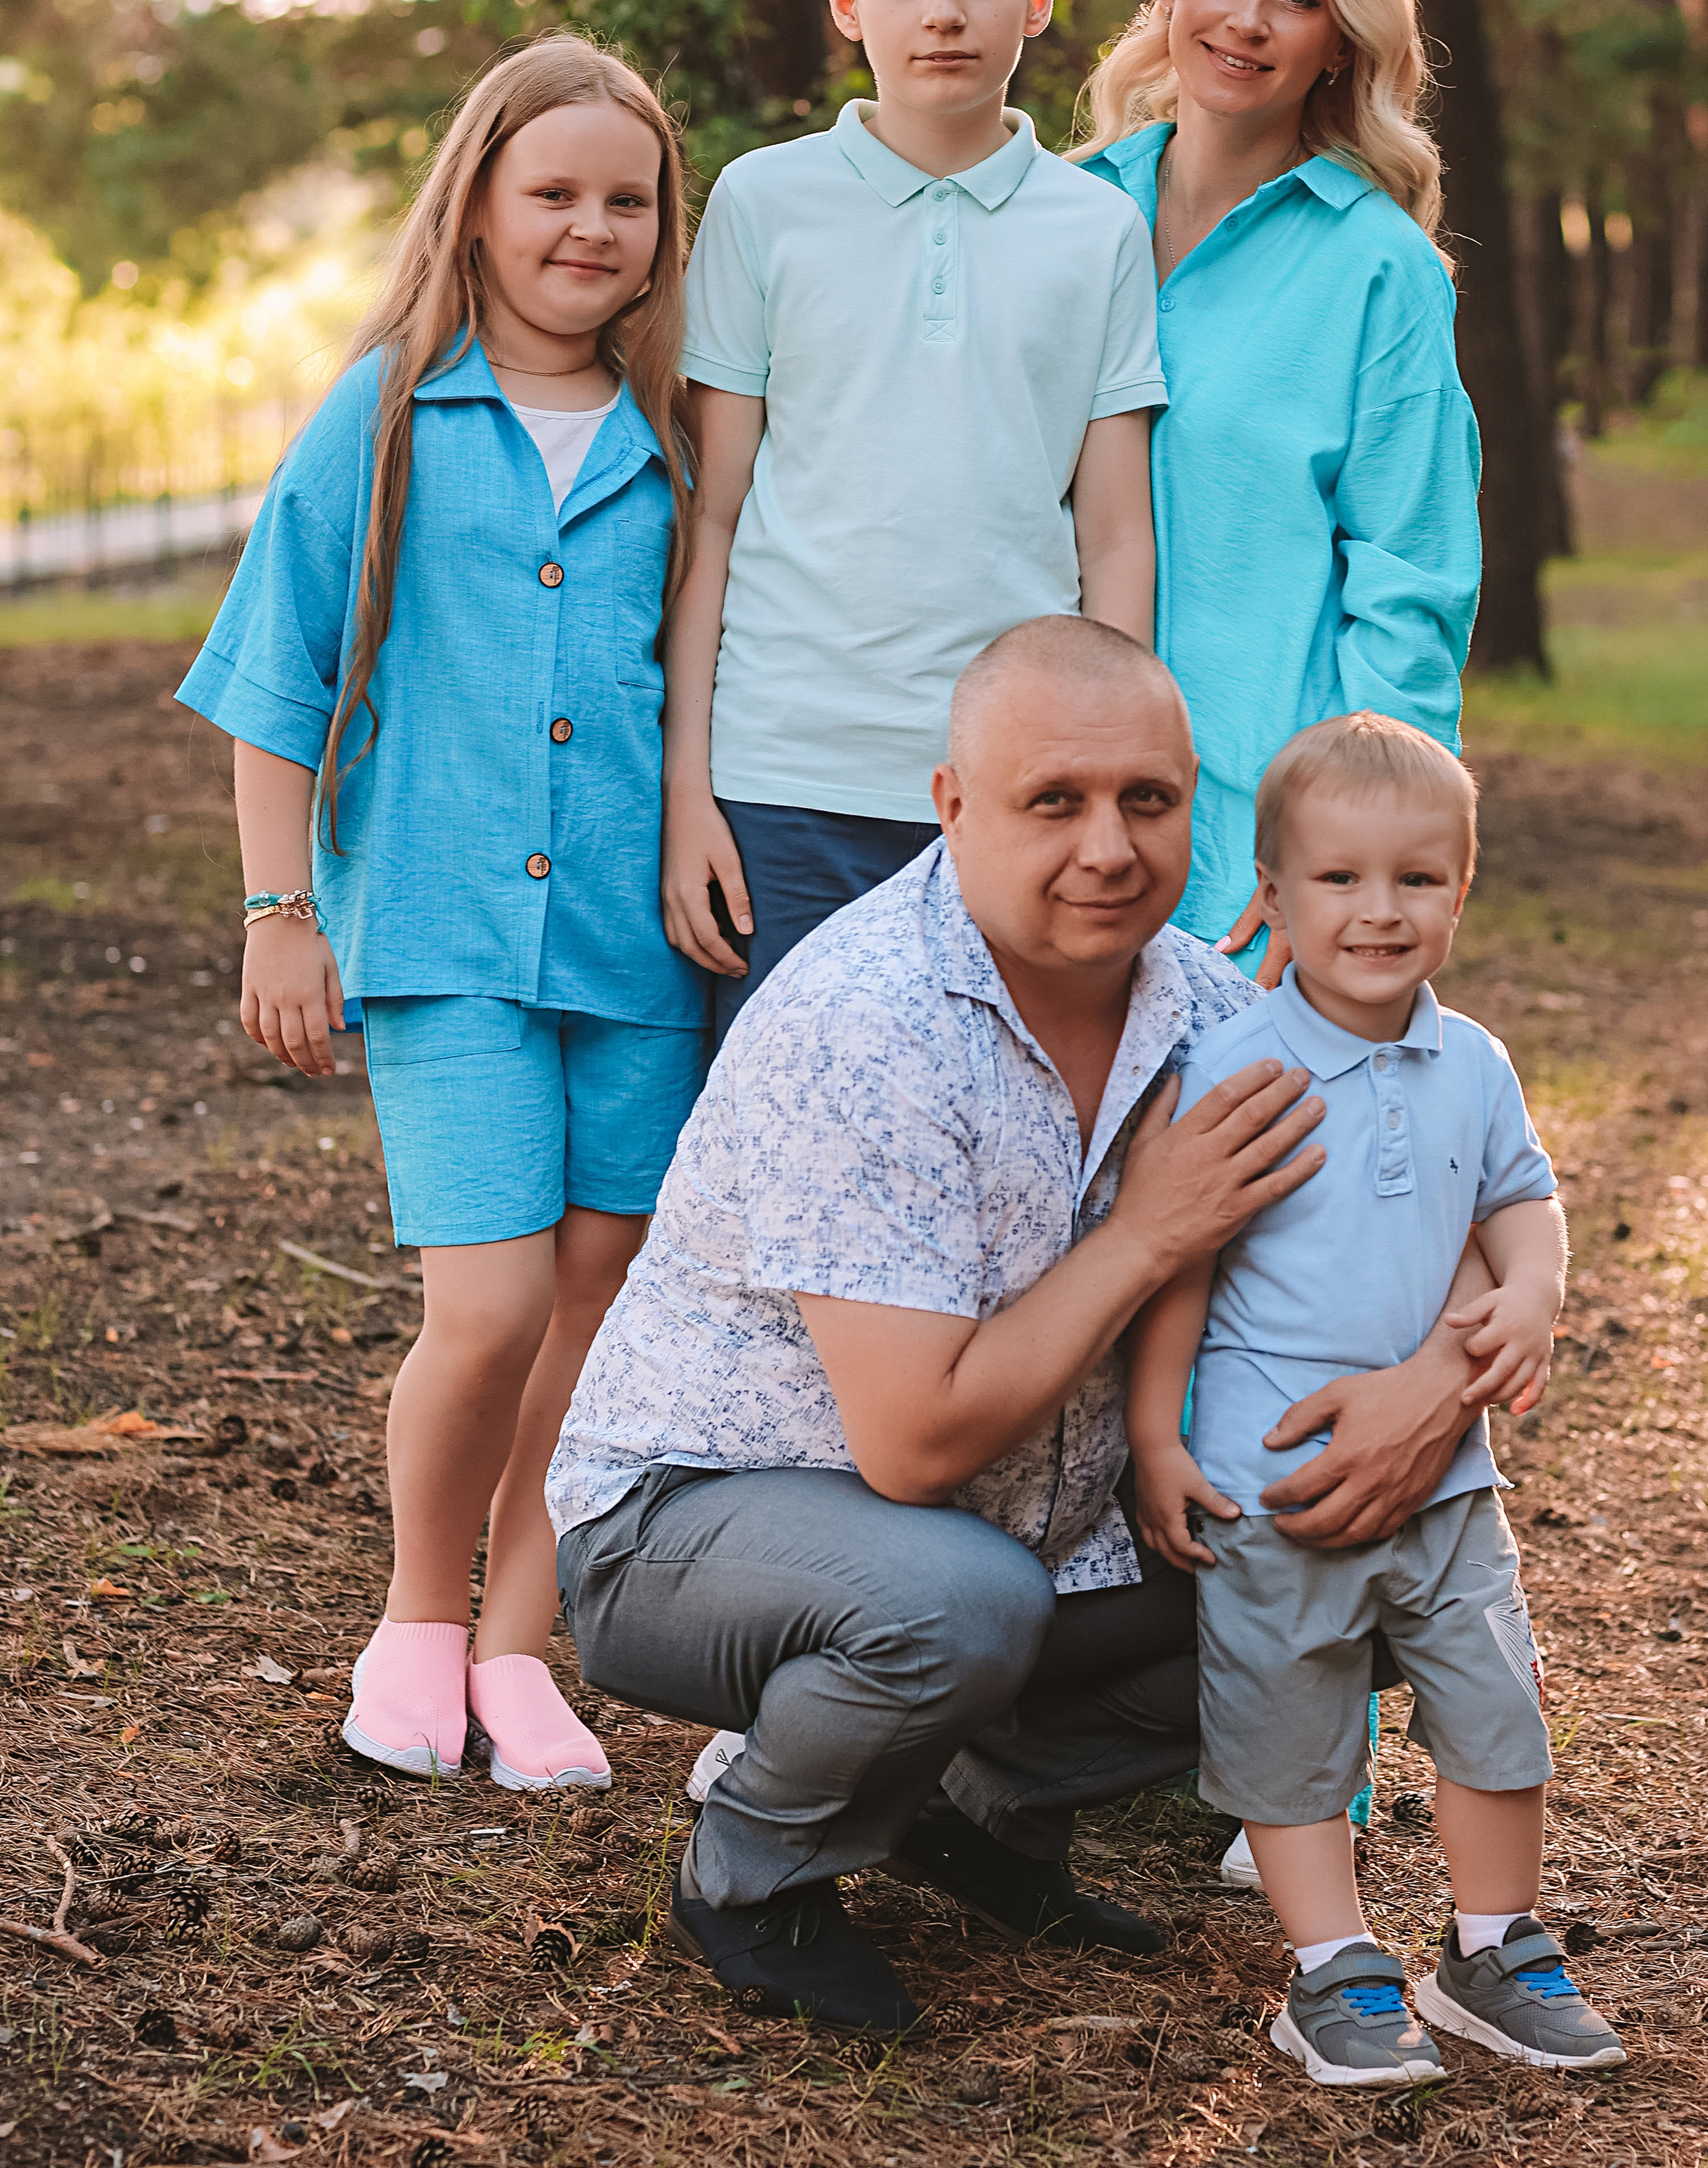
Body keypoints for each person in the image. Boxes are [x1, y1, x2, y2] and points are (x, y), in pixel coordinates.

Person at [548, 621, 1505, 2032]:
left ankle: (974, 1809)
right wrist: (1147, 1232)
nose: (1110, 848)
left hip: (1023, 1534)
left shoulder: (1213, 1012)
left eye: (1149, 801)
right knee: (950, 1603)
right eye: (1054, 801)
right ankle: (750, 1872)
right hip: (690, 1527)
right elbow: (916, 1447)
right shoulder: (867, 1024)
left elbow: (1445, 1209)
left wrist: (1438, 1385)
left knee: (1329, 1540)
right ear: (952, 804)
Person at [176, 33, 708, 1794]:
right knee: (482, 1306)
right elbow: (279, 678)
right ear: (477, 206)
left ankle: (517, 1649)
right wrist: (277, 910)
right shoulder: (387, 414)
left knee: (592, 1306)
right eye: (552, 192)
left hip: (636, 959)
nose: (589, 226)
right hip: (435, 932)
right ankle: (416, 1619)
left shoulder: (683, 441)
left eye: (623, 200)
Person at [1127, 713, 1624, 2087]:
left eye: (1417, 878)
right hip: (1270, 1473)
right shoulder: (1241, 1067)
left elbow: (1527, 1204)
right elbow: (1178, 1270)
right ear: (1273, 896)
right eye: (1339, 880)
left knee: (1492, 1708)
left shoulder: (1474, 1064)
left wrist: (1528, 1295)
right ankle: (1333, 1967)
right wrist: (1156, 1439)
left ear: (1462, 889)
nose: (1379, 911)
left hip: (1451, 1481)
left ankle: (1494, 1942)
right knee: (1291, 1718)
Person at [659, 0, 1166, 1036]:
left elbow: (1115, 539)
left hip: (1014, 789)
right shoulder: (763, 204)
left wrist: (1110, 785)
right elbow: (710, 516)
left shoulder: (1097, 226)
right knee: (789, 1146)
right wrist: (688, 793)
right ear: (848, 1)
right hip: (783, 774)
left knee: (1008, 1142)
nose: (944, 10)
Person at [1073, 0, 1482, 981]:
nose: (1247, 19)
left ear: (1340, 39)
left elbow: (1413, 591)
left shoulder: (1377, 271)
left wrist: (1353, 871)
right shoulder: (1060, 218)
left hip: (1247, 859)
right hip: (1042, 833)